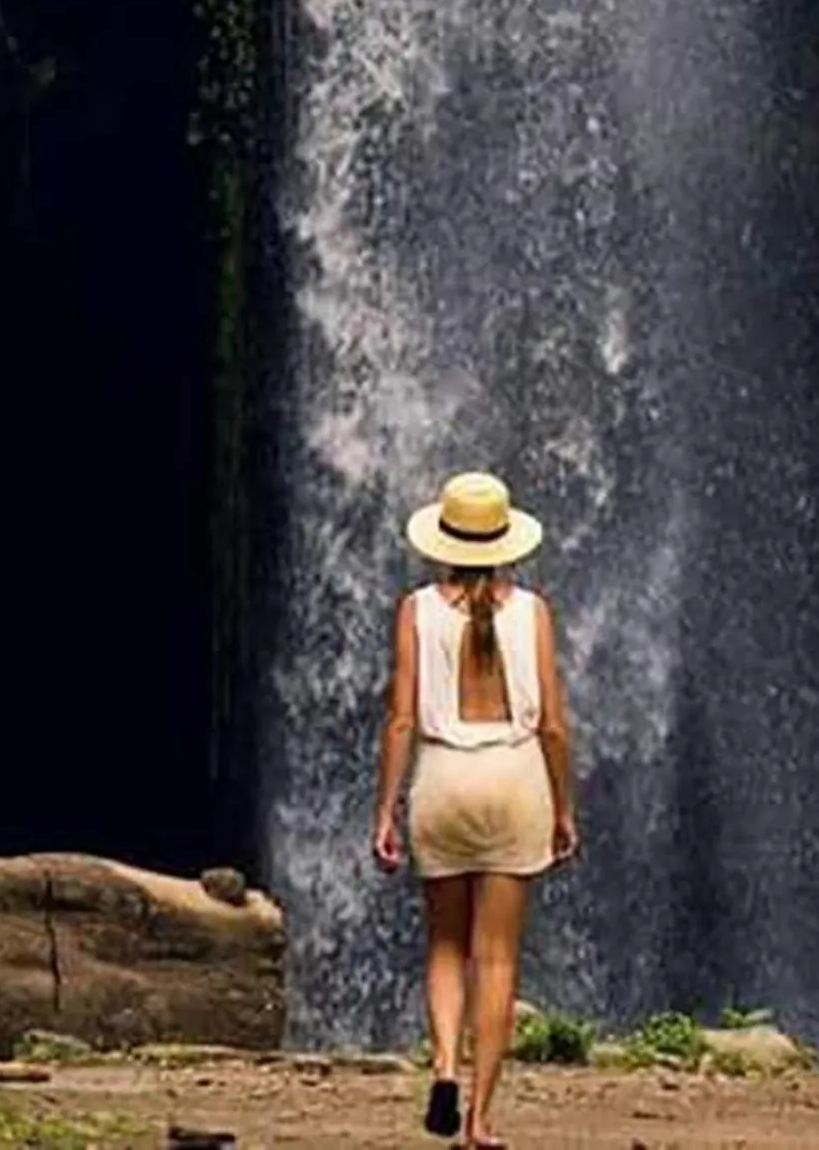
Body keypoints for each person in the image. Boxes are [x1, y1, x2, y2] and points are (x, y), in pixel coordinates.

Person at [373, 470, 577, 1148]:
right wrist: (564, 809)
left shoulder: (417, 609)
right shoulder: (533, 612)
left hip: (443, 782)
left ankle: (441, 1065)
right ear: (506, 544)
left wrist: (385, 812)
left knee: (444, 946)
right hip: (514, 779)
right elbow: (552, 725)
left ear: (444, 542)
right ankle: (480, 1120)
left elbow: (401, 719)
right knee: (497, 960)